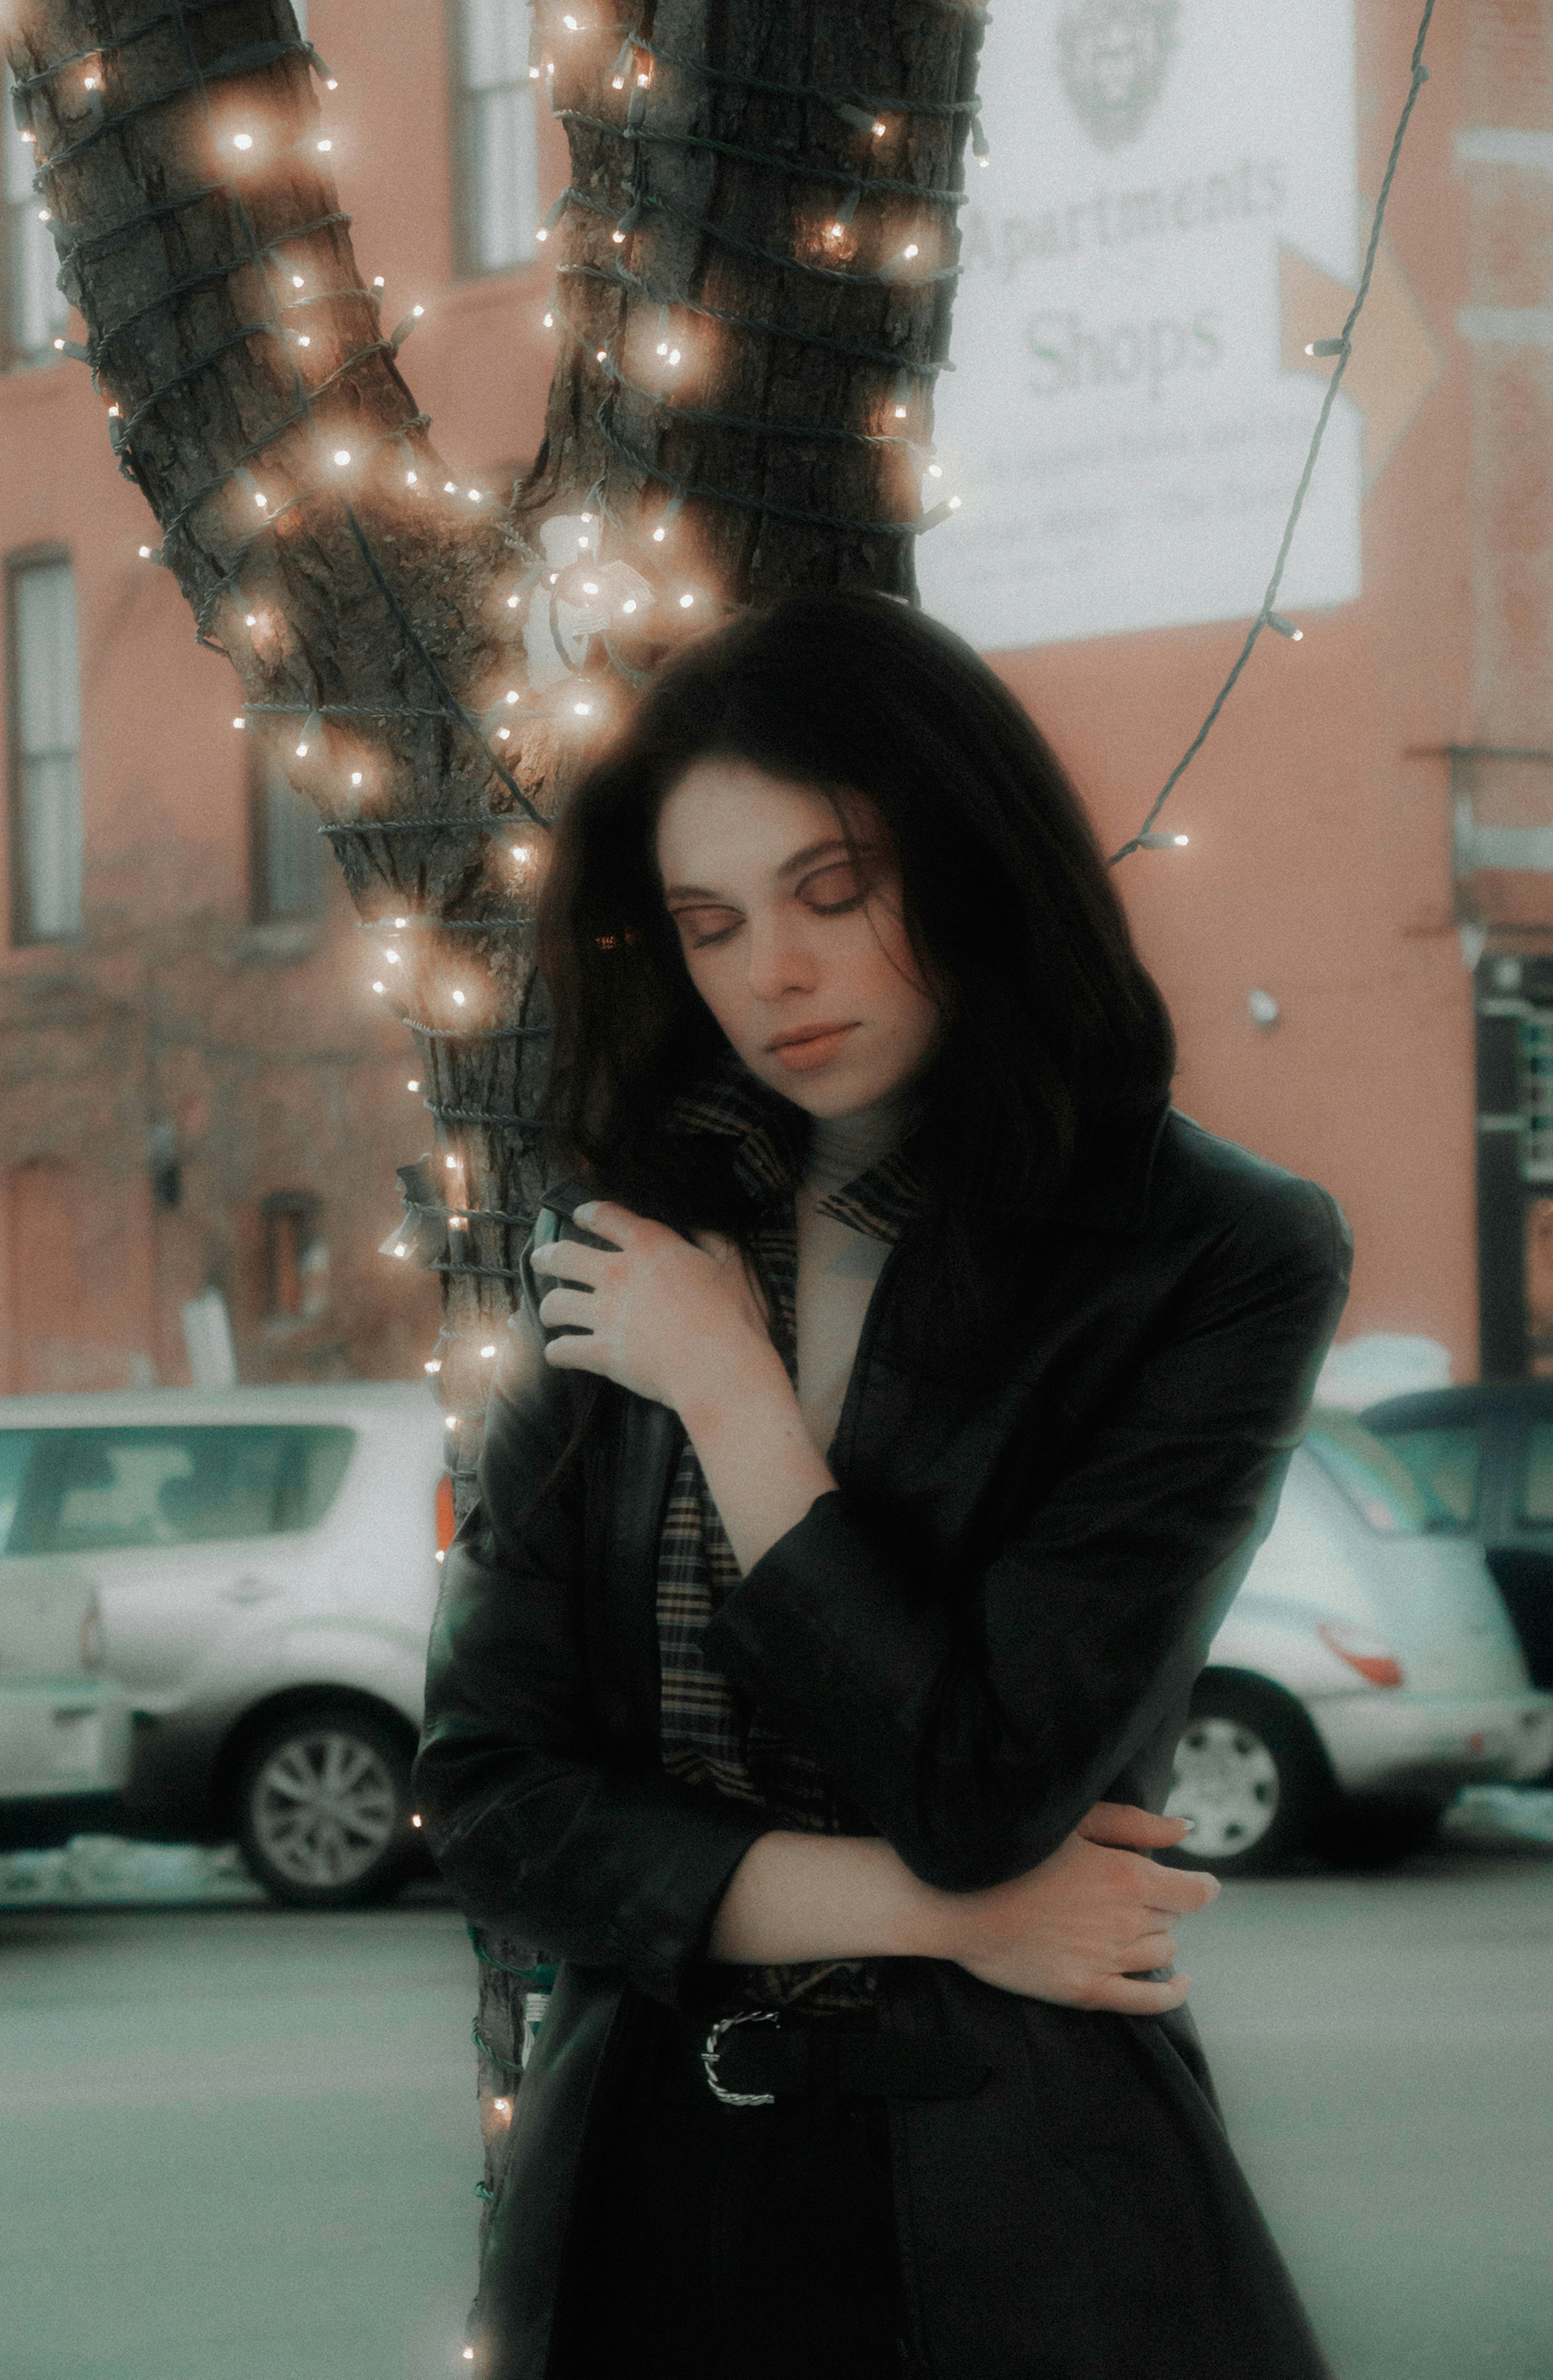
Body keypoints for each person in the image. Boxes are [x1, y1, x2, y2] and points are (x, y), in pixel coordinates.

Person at [413, 589, 1351, 2380]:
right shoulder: (624, 1241)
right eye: (710, 921)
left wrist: (731, 1394)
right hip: (643, 2210)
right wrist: (954, 1915)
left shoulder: (1208, 1252)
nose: (770, 970)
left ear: (970, 857)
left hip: (1030, 2211)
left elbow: (980, 1777)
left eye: (829, 891)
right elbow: (491, 1797)